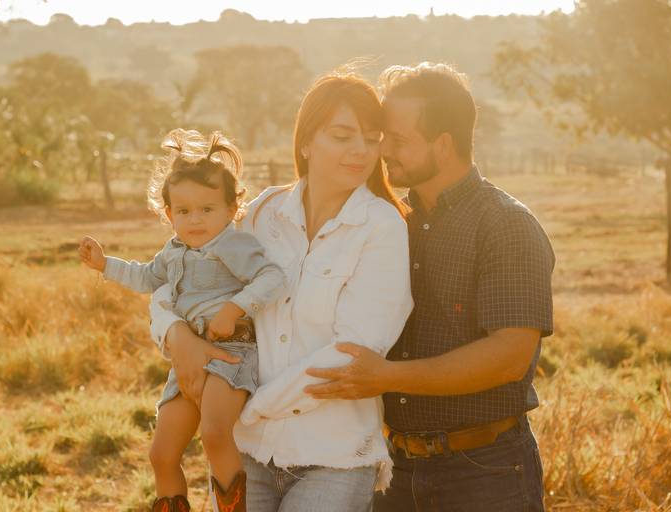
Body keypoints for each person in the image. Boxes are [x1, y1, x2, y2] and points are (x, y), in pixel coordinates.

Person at [149, 72, 414, 512]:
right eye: (343, 135)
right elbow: (184, 276)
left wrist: (250, 409)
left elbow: (354, 351)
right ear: (306, 142)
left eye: (372, 138)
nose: (361, 151)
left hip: (334, 456)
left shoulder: (383, 227)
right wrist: (175, 334)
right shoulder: (264, 213)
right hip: (248, 455)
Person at [304, 63, 555, 512]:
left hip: (484, 471)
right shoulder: (388, 222)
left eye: (398, 141)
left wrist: (387, 378)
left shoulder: (506, 225)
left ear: (443, 144)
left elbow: (510, 357)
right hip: (394, 468)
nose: (384, 153)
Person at [78, 129, 286, 512]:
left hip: (230, 355)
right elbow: (145, 277)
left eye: (207, 209)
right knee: (161, 453)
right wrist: (105, 265)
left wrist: (234, 308)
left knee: (214, 434)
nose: (195, 220)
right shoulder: (173, 252)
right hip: (187, 361)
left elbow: (272, 278)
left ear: (231, 209)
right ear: (169, 213)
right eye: (184, 211)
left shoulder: (231, 244)